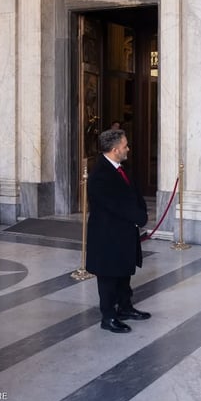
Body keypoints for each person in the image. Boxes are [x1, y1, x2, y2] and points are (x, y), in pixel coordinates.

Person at [85, 129, 150, 334]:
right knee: (108, 277)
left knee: (123, 272)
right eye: (125, 146)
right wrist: (138, 217)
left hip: (123, 233)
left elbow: (134, 194)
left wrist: (142, 212)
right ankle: (108, 316)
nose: (128, 149)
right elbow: (116, 204)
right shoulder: (100, 175)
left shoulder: (122, 167)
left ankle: (125, 307)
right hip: (107, 236)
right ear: (115, 150)